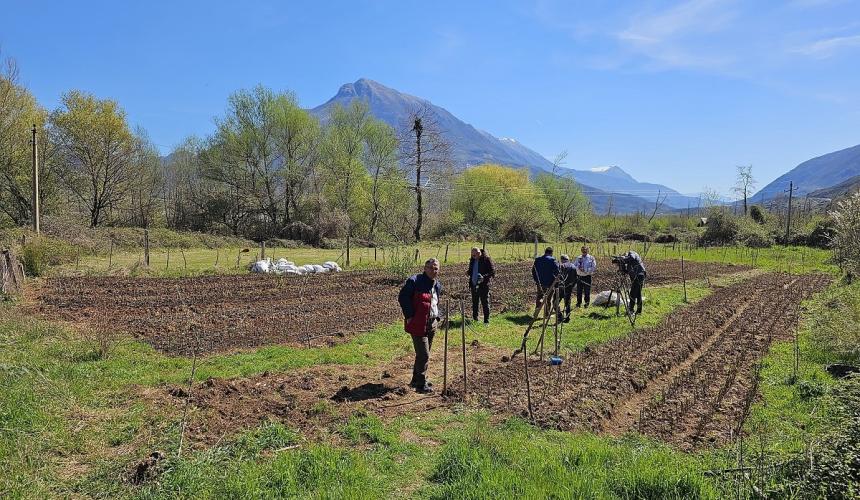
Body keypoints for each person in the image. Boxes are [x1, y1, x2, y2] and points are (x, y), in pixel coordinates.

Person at [398, 258, 443, 393]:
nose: (432, 271)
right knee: (424, 354)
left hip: (432, 322)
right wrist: (410, 315)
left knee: (422, 354)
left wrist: (437, 316)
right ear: (424, 268)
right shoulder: (415, 281)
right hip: (418, 323)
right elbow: (403, 297)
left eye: (435, 268)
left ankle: (415, 380)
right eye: (430, 268)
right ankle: (421, 384)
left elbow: (434, 302)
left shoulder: (437, 285)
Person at [466, 247, 496, 324]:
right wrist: (468, 272)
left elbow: (492, 272)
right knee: (475, 303)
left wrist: (484, 277)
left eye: (475, 255)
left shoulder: (486, 260)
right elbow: (471, 270)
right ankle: (475, 319)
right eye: (472, 255)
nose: (473, 257)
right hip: (473, 284)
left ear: (479, 253)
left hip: (483, 285)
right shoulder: (472, 260)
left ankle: (486, 321)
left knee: (485, 303)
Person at [532, 247, 559, 315]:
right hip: (550, 283)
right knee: (548, 299)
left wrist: (536, 280)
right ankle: (546, 314)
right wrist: (556, 281)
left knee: (539, 296)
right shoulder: (552, 260)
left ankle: (537, 310)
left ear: (545, 252)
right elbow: (557, 272)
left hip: (539, 282)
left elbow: (533, 270)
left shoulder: (538, 259)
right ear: (551, 253)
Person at [621, 250, 646, 314]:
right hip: (639, 276)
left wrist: (624, 258)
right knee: (638, 294)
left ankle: (631, 310)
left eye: (625, 256)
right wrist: (622, 266)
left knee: (632, 293)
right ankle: (639, 311)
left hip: (639, 275)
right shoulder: (630, 263)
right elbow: (627, 272)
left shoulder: (631, 253)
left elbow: (632, 257)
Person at [557, 254, 577, 322]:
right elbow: (576, 278)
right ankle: (567, 318)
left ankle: (560, 316)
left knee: (555, 303)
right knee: (567, 303)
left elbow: (559, 277)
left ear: (562, 260)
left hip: (561, 288)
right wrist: (572, 286)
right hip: (569, 288)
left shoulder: (562, 266)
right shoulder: (573, 266)